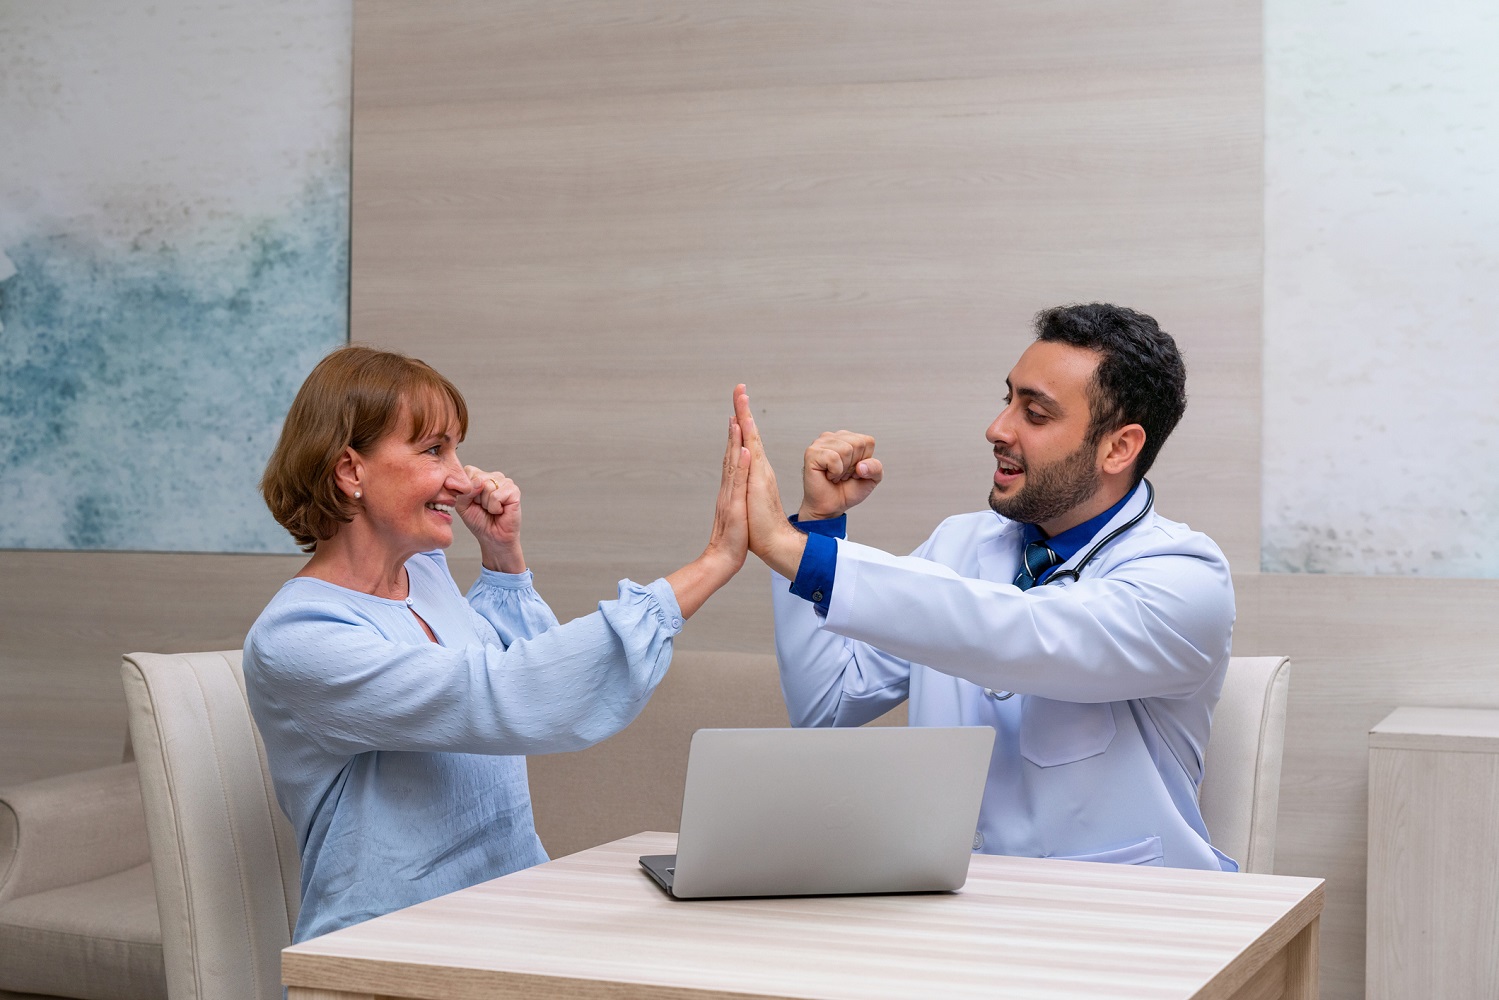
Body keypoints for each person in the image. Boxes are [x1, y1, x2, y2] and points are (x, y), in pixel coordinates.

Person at [244, 345, 749, 941]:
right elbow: (508, 696)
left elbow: (525, 688)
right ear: (351, 470)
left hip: (508, 912)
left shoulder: (425, 575)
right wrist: (717, 561)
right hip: (388, 945)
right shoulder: (297, 638)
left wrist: (502, 557)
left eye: (457, 448)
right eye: (434, 449)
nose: (463, 477)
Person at [735, 303, 1238, 872]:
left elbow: (1021, 633)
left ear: (1118, 448)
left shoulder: (1184, 576)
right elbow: (825, 706)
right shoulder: (960, 544)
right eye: (1009, 400)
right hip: (956, 906)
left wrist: (804, 556)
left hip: (1120, 918)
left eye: (1036, 414)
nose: (998, 430)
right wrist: (821, 526)